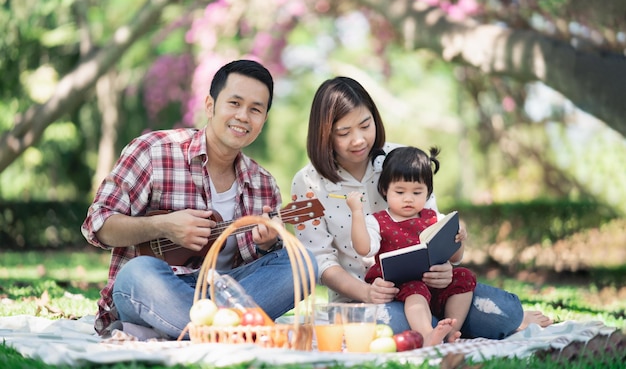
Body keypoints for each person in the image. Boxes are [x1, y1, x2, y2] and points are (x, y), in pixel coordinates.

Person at [290, 76, 552, 339]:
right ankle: (442, 327)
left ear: (374, 118)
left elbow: (433, 231)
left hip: (432, 289)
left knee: (504, 311)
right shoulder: (308, 183)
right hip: (365, 300)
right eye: (344, 133)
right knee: (395, 323)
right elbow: (320, 261)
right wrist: (367, 292)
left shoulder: (403, 160)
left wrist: (445, 268)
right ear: (324, 135)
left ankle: (446, 325)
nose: (358, 140)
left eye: (365, 125)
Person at [82, 59, 317, 340]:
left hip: (221, 294)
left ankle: (181, 332)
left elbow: (258, 276)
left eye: (255, 109)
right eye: (234, 103)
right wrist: (163, 226)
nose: (243, 116)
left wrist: (266, 245)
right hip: (156, 288)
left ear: (263, 120)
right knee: (137, 272)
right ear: (210, 105)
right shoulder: (153, 152)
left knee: (303, 263)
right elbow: (98, 225)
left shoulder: (263, 184)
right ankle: (227, 331)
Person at [347, 146, 476, 345]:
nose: (408, 198)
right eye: (400, 192)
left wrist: (458, 239)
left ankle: (451, 330)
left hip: (434, 283)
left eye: (417, 192)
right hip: (402, 287)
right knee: (415, 289)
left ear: (428, 192)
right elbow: (364, 248)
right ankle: (426, 334)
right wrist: (356, 213)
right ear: (384, 190)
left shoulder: (435, 219)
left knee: (465, 277)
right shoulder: (378, 221)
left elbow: (455, 258)